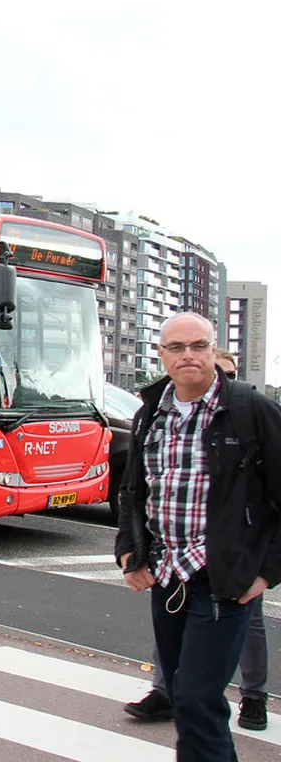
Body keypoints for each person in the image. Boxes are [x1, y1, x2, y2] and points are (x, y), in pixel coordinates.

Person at [115, 313, 281, 759]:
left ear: (213, 350)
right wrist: (130, 551)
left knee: (195, 700)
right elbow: (134, 490)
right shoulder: (150, 412)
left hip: (224, 581)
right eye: (176, 347)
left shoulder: (249, 409)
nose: (188, 355)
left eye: (198, 345)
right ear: (162, 355)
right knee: (185, 698)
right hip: (168, 578)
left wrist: (267, 571)